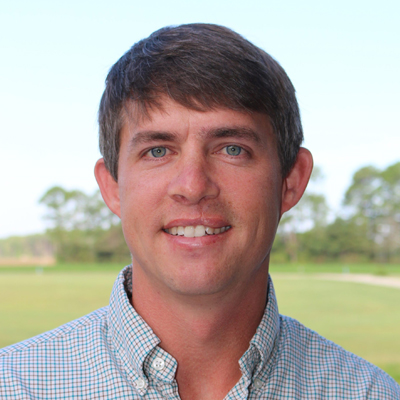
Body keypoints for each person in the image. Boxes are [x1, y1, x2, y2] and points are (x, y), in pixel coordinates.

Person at [0, 23, 399, 400]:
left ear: (290, 181)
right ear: (113, 187)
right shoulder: (14, 386)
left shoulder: (368, 393)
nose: (192, 186)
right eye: (158, 150)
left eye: (232, 149)